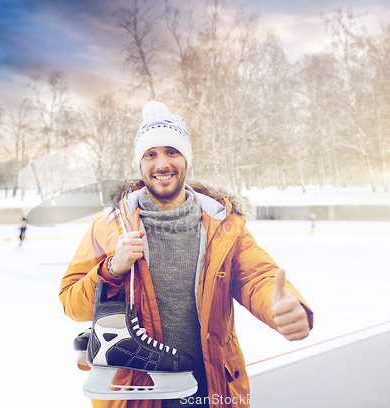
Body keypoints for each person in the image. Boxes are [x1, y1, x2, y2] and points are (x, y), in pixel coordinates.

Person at [59, 101, 313, 408]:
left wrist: (281, 306)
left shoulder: (223, 225)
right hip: (138, 393)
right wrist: (113, 268)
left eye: (172, 152)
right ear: (140, 163)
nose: (162, 164)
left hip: (209, 386)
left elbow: (257, 277)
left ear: (186, 159)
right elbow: (72, 302)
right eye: (150, 154)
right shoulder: (107, 227)